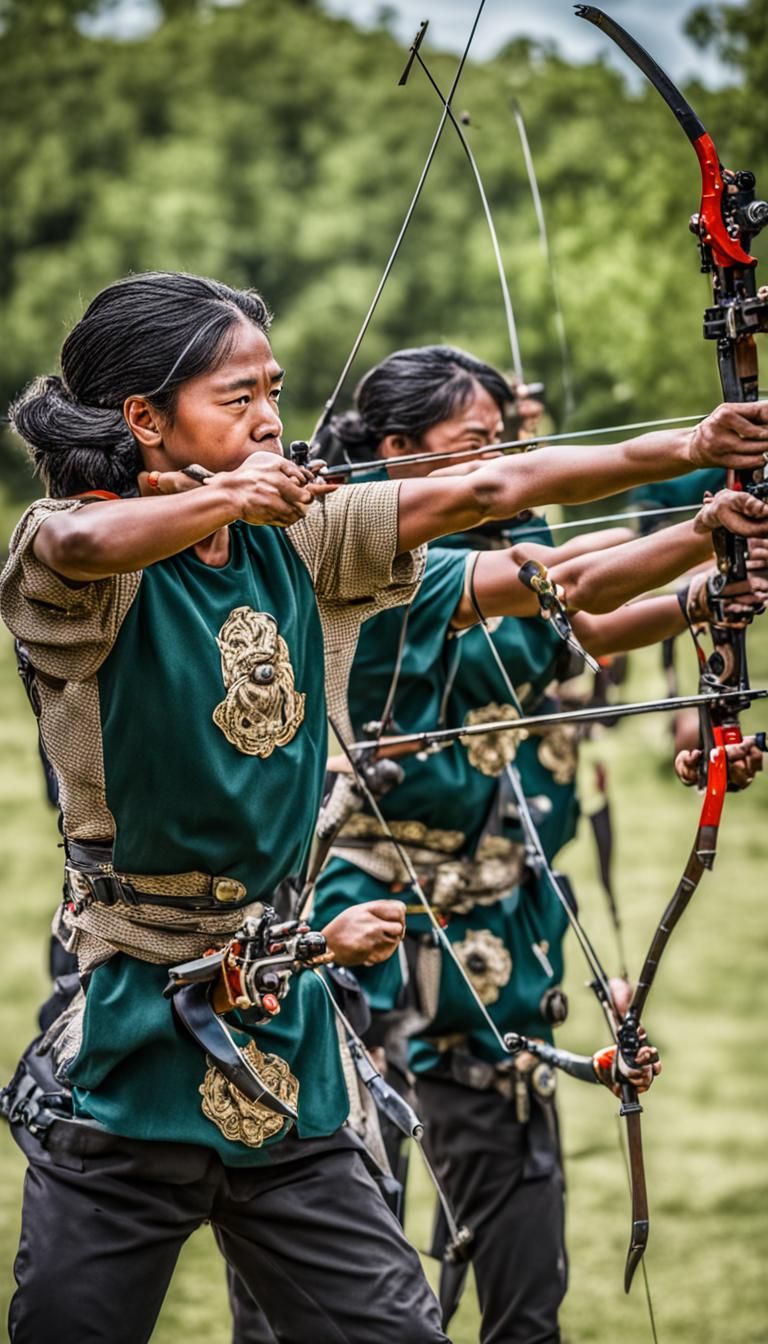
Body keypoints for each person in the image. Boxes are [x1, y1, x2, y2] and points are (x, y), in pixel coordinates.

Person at [3, 282, 768, 1344]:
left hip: (285, 1048)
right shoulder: (73, 559)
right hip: (132, 1047)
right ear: (145, 418)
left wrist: (689, 445)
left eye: (274, 392)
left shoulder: (303, 536)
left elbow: (494, 487)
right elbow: (78, 546)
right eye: (237, 397)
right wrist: (232, 500)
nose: (269, 418)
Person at [307, 345, 768, 1343]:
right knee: (340, 1251)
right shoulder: (368, 554)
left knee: (522, 1264)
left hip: (496, 936)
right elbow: (568, 580)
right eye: (474, 443)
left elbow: (577, 627)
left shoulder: (495, 541)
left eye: (503, 441)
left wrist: (699, 596)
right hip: (368, 917)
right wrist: (701, 518)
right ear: (395, 450)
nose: (499, 463)